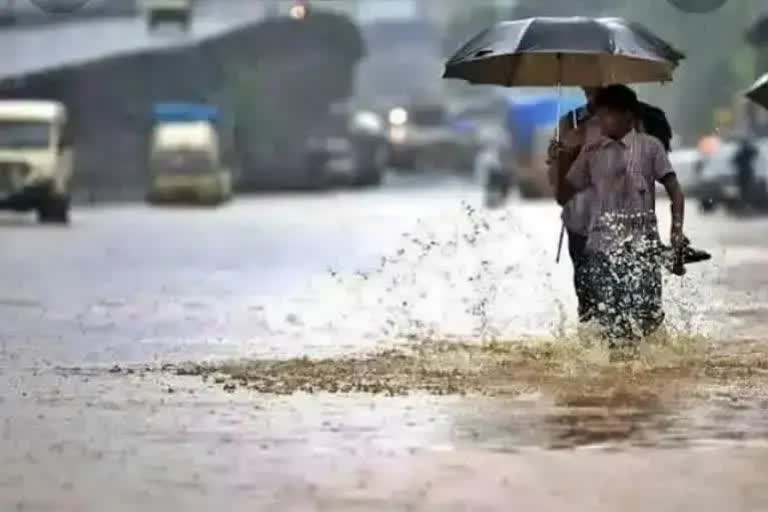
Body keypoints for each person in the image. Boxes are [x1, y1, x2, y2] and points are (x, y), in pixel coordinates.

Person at [554, 85, 686, 344]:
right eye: (599, 116)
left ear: (627, 115)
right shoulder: (591, 153)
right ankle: (615, 369)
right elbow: (563, 195)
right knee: (607, 321)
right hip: (601, 249)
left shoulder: (651, 147)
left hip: (642, 247)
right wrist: (562, 160)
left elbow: (675, 191)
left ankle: (641, 369)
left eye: (607, 115)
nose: (601, 121)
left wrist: (676, 232)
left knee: (648, 318)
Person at [733, 137, 757, 208]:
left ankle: (745, 202)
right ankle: (746, 202)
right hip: (746, 172)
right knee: (746, 189)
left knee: (744, 189)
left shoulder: (741, 153)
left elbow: (734, 161)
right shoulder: (747, 152)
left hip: (743, 173)